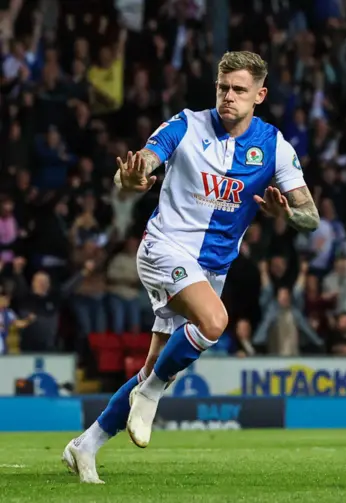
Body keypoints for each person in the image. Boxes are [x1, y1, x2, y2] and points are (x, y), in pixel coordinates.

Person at [62, 51, 320, 483]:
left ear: (260, 94)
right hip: (164, 250)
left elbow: (310, 216)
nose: (228, 97)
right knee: (215, 322)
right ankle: (153, 391)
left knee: (152, 366)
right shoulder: (186, 124)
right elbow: (143, 161)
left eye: (239, 90)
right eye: (223, 87)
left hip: (210, 270)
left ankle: (84, 446)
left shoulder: (273, 145)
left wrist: (287, 216)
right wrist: (129, 178)